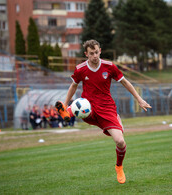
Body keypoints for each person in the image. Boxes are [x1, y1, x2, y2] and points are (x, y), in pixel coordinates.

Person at [55, 39, 151, 184]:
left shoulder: (109, 67)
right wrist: (65, 102)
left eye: (96, 52)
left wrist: (139, 98)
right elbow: (73, 86)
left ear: (100, 51)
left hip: (106, 108)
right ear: (86, 54)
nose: (95, 56)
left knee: (120, 141)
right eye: (91, 53)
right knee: (79, 106)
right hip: (89, 107)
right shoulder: (80, 69)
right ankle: (66, 111)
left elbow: (125, 82)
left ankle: (119, 166)